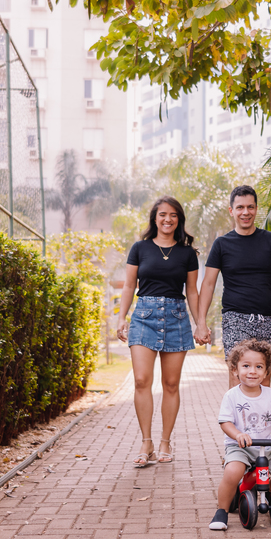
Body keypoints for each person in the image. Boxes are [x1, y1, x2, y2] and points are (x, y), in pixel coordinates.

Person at [117, 196, 200, 467]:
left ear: (179, 219)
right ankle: (146, 443)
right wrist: (121, 318)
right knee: (141, 380)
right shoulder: (140, 248)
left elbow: (192, 291)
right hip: (144, 316)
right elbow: (129, 286)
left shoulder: (187, 253)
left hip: (176, 317)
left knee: (171, 384)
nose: (168, 219)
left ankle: (165, 442)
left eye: (173, 215)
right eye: (162, 214)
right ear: (155, 218)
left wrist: (201, 322)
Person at [195, 185, 271, 387]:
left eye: (250, 207)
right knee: (237, 379)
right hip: (235, 319)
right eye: (240, 207)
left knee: (263, 380)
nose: (246, 212)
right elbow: (208, 284)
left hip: (268, 320)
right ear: (231, 211)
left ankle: (261, 420)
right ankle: (235, 420)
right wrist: (201, 322)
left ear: (256, 209)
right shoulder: (221, 244)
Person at [209, 339, 271, 531]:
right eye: (246, 366)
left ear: (266, 372)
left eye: (259, 367)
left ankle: (261, 488)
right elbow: (225, 422)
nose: (252, 371)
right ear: (235, 370)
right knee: (232, 472)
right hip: (239, 446)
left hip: (266, 447)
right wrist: (238, 434)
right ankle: (221, 511)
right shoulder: (232, 396)